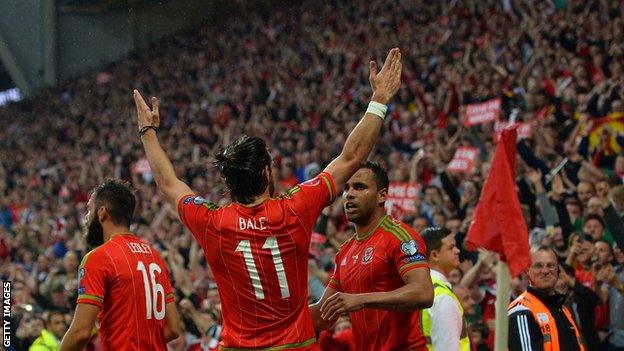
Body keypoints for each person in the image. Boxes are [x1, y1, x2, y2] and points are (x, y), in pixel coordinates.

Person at [134, 48, 403, 349]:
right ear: (265, 172)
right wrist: (378, 100)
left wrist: (147, 131)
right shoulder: (297, 206)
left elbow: (169, 184)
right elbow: (351, 157)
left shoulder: (212, 221)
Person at [311, 162, 434, 351]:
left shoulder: (400, 237)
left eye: (359, 187)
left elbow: (423, 293)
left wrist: (362, 299)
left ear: (382, 195)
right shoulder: (345, 251)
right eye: (346, 188)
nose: (349, 194)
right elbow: (322, 315)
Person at [59, 179, 182, 351]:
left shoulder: (98, 258)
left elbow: (80, 333)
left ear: (102, 213)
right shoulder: (155, 256)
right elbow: (174, 328)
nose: (86, 217)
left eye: (89, 209)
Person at [508, 245, 586, 351]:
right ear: (527, 270)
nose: (545, 271)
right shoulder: (520, 310)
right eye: (538, 266)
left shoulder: (562, 308)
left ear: (558, 270)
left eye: (550, 265)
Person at [420, 226, 471, 351]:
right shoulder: (442, 298)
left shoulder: (421, 287)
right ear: (435, 255)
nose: (457, 251)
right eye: (451, 247)